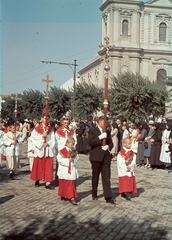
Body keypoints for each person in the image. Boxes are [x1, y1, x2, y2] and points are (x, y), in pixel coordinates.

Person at [88, 116, 114, 204]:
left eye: (105, 122)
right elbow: (90, 142)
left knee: (106, 177)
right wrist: (99, 138)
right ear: (98, 122)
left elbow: (111, 143)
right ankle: (94, 194)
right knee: (95, 176)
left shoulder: (108, 131)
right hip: (96, 156)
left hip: (106, 156)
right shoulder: (92, 130)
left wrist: (108, 146)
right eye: (103, 121)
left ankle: (108, 196)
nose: (104, 123)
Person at [30, 114, 55, 189]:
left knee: (48, 166)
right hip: (40, 149)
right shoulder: (37, 129)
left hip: (47, 149)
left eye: (48, 118)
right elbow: (33, 138)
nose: (46, 120)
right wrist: (42, 137)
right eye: (45, 118)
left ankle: (48, 182)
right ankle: (37, 179)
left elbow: (53, 139)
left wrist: (48, 143)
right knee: (39, 165)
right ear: (41, 119)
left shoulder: (50, 129)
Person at [57, 137, 79, 205]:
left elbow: (77, 159)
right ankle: (63, 194)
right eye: (71, 144)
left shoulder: (74, 151)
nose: (72, 146)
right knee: (63, 182)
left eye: (73, 144)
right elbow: (59, 159)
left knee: (71, 183)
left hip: (71, 169)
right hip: (64, 169)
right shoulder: (62, 151)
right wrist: (67, 161)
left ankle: (71, 197)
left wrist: (73, 161)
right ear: (67, 143)